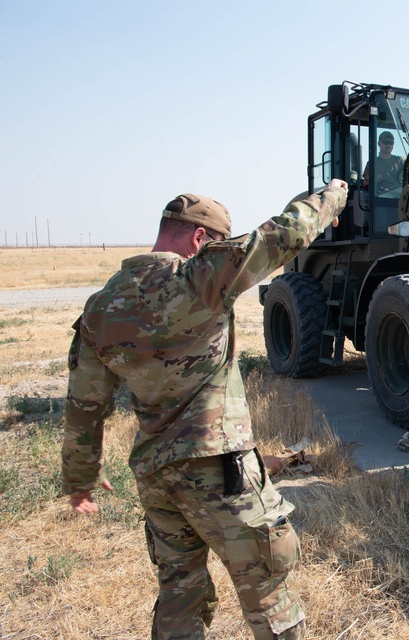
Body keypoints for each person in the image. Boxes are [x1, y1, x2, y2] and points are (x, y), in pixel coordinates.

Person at [61, 180, 348, 639]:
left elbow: (84, 405)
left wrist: (80, 480)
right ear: (200, 239)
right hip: (219, 471)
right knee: (268, 595)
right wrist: (333, 195)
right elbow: (285, 232)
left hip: (156, 477)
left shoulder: (99, 309)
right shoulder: (198, 279)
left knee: (180, 594)